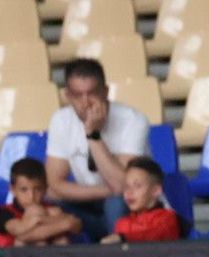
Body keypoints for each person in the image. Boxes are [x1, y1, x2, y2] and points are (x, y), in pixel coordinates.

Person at [44, 58, 149, 242]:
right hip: (89, 200)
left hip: (131, 206)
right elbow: (55, 185)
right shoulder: (60, 120)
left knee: (116, 203)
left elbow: (125, 186)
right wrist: (108, 190)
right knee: (45, 202)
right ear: (67, 96)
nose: (85, 102)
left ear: (105, 92)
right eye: (77, 95)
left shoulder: (133, 120)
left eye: (91, 93)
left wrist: (93, 135)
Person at [99, 158, 183, 244]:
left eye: (137, 186)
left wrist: (124, 237)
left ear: (156, 190)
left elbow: (152, 235)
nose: (129, 192)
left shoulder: (167, 219)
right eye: (126, 186)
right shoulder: (122, 223)